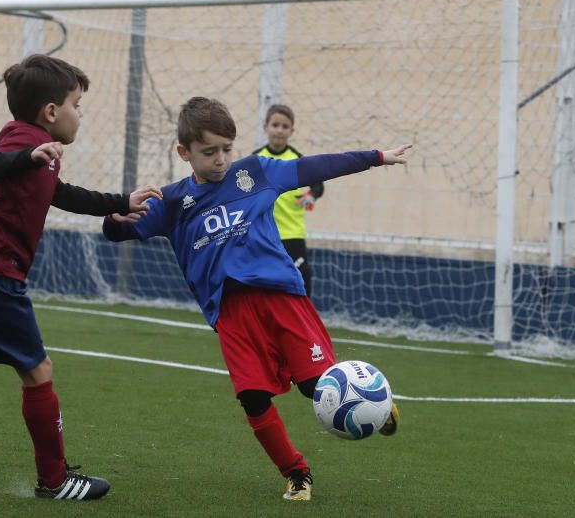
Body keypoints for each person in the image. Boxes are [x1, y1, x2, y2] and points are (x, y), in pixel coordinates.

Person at [103, 97, 409, 502]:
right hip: (231, 314)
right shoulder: (173, 203)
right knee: (252, 396)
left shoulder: (256, 172)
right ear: (184, 153)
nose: (220, 160)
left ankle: (377, 405)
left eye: (227, 149)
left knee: (315, 387)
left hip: (282, 298)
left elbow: (315, 166)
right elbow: (120, 232)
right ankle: (297, 473)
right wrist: (113, 219)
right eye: (208, 152)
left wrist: (375, 157)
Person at [0, 54, 162, 502]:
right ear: (51, 111)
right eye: (77, 103)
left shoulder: (33, 147)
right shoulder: (25, 146)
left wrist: (120, 200)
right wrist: (28, 156)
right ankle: (54, 480)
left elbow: (61, 195)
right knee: (37, 371)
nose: (80, 113)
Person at [253, 104, 323, 296]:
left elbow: (318, 184)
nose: (279, 130)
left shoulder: (297, 160)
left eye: (285, 127)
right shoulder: (255, 160)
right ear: (266, 127)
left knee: (300, 285)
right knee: (263, 288)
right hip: (264, 235)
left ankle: (303, 323)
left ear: (291, 131)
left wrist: (311, 196)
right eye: (275, 125)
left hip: (293, 234)